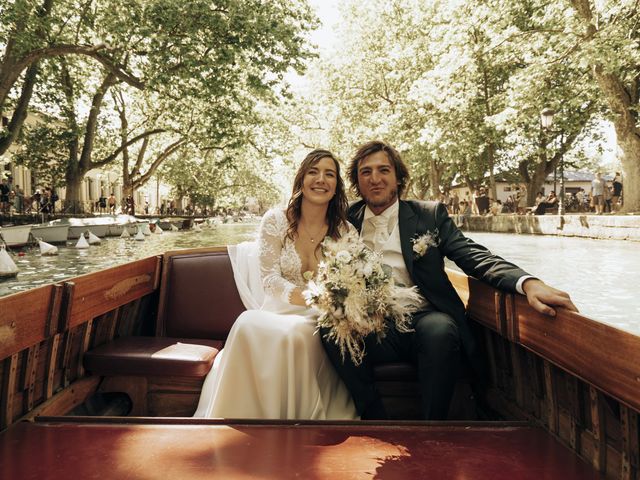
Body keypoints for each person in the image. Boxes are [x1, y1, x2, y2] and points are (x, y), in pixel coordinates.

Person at [320, 140, 577, 421]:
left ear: (398, 177)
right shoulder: (344, 220)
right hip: (370, 326)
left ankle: (434, 425)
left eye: (384, 170)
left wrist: (527, 283)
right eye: (365, 172)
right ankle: (374, 416)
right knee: (328, 330)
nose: (375, 179)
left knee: (441, 329)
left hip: (422, 318)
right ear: (357, 180)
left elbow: (472, 255)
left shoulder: (429, 214)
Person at [194, 149, 357, 420]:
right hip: (279, 307)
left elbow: (351, 283)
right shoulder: (276, 220)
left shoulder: (346, 231)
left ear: (336, 186)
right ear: (301, 180)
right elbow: (269, 280)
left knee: (294, 337)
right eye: (313, 172)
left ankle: (291, 419)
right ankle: (239, 416)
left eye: (330, 174)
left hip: (320, 318)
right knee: (246, 323)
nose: (321, 179)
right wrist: (311, 297)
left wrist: (328, 303)